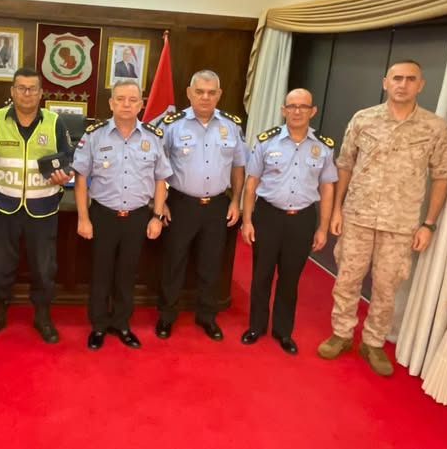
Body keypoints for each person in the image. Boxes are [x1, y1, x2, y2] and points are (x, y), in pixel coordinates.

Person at [317, 60, 447, 376]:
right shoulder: (364, 119)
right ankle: (341, 334)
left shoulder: (434, 128)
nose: (402, 85)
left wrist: (429, 224)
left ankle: (373, 342)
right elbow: (345, 164)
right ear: (385, 83)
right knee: (347, 278)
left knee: (386, 287)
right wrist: (337, 209)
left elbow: (442, 176)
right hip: (357, 216)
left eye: (410, 79)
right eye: (397, 78)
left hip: (400, 224)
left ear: (420, 85)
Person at [0, 67, 73, 343]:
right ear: (12, 91)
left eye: (32, 89)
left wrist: (65, 176)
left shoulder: (55, 123)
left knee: (44, 267)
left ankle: (42, 316)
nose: (27, 93)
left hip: (43, 209)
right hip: (3, 207)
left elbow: (68, 162)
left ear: (41, 94)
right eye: (21, 88)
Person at [73, 79, 172, 349]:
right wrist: (83, 217)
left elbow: (161, 179)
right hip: (103, 216)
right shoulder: (95, 135)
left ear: (141, 104)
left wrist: (157, 216)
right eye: (120, 99)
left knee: (127, 275)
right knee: (100, 274)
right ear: (111, 103)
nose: (126, 104)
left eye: (132, 100)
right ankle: (98, 326)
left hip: (137, 217)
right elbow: (80, 179)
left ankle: (122, 324)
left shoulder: (153, 137)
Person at [241, 88, 337, 354]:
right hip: (268, 216)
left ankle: (283, 332)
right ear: (283, 110)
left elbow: (328, 187)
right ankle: (256, 326)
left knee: (290, 278)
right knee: (261, 275)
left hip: (302, 220)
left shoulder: (323, 147)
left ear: (312, 111)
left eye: (303, 107)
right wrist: (247, 220)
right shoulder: (266, 142)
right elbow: (251, 183)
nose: (297, 111)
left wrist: (323, 227)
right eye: (292, 106)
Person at [156, 70, 246, 341]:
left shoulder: (231, 126)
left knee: (211, 264)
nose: (205, 97)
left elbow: (238, 166)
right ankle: (167, 316)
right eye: (200, 92)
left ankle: (207, 316)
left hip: (217, 206)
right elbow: (156, 166)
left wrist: (236, 200)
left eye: (211, 92)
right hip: (180, 203)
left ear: (219, 95)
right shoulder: (172, 125)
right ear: (189, 93)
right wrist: (160, 203)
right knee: (173, 263)